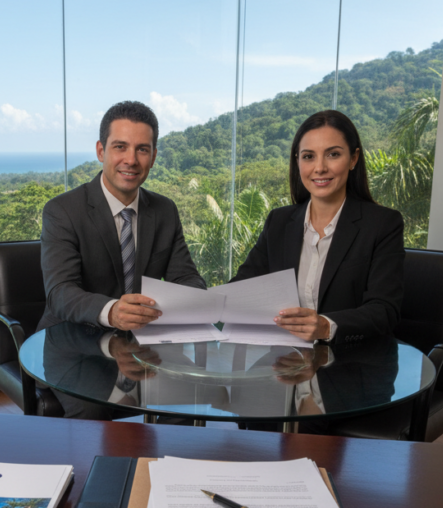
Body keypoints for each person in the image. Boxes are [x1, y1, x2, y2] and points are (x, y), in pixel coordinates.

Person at [38, 100, 205, 420]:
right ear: (101, 151)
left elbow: (187, 277)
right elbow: (60, 293)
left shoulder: (165, 210)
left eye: (142, 149)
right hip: (75, 346)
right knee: (95, 422)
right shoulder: (62, 211)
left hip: (145, 345)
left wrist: (192, 298)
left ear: (153, 156)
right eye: (120, 147)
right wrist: (113, 311)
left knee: (187, 405)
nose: (131, 159)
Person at [232, 110, 404, 344]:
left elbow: (384, 310)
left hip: (353, 360)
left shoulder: (383, 224)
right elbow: (241, 288)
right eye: (308, 156)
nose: (320, 168)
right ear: (297, 161)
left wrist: (326, 326)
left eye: (333, 154)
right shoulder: (278, 222)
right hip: (286, 358)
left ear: (353, 159)